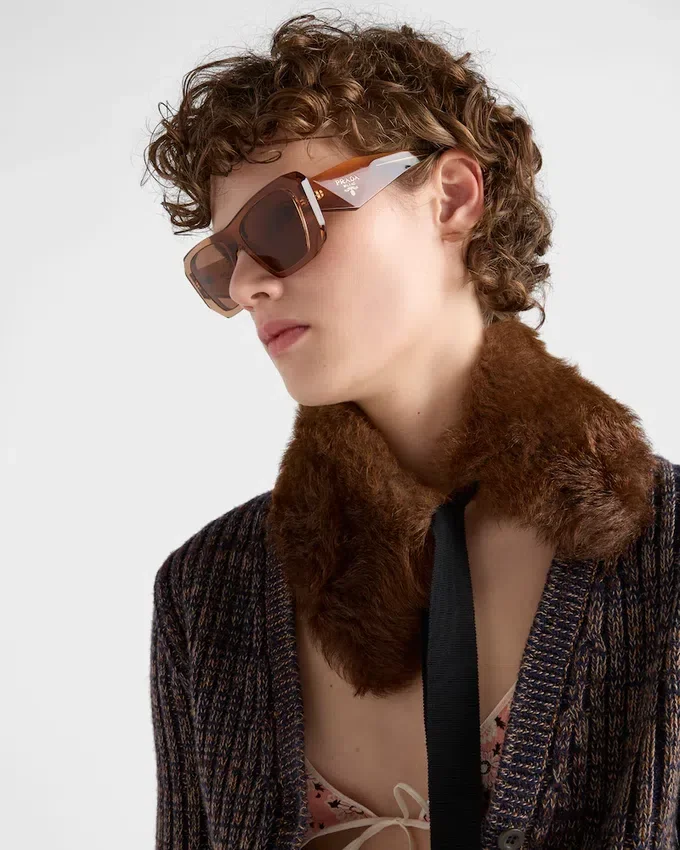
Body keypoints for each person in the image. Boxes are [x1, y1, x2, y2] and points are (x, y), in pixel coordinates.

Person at [142, 12, 680, 850]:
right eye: (221, 261)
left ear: (452, 197)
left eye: (284, 223)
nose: (246, 286)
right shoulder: (206, 594)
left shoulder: (670, 559)